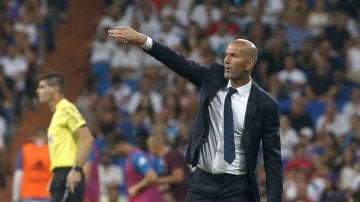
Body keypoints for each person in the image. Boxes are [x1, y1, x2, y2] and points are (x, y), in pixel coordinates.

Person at [108, 26, 283, 202]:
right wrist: (142, 39)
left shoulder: (265, 105)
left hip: (237, 188)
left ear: (249, 64)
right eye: (226, 55)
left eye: (234, 56)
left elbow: (272, 161)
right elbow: (178, 62)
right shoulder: (213, 77)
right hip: (202, 182)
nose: (227, 60)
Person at [36, 71, 94, 202]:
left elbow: (87, 138)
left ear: (54, 89)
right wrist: (55, 175)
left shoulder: (66, 108)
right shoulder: (57, 114)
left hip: (69, 173)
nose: (37, 90)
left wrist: (76, 170)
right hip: (61, 174)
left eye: (42, 87)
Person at [111, 134, 164, 202]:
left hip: (147, 198)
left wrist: (135, 188)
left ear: (121, 144)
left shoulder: (137, 156)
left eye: (114, 148)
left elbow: (152, 176)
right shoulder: (129, 158)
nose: (114, 153)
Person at [12, 127, 52, 202]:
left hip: (28, 194)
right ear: (46, 138)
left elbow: (18, 174)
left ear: (33, 137)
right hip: (47, 195)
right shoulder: (52, 150)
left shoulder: (24, 149)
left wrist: (15, 196)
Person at [147, 134, 190, 202]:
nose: (149, 150)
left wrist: (157, 180)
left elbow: (178, 177)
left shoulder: (173, 154)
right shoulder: (165, 157)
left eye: (149, 146)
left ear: (154, 146)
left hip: (184, 196)